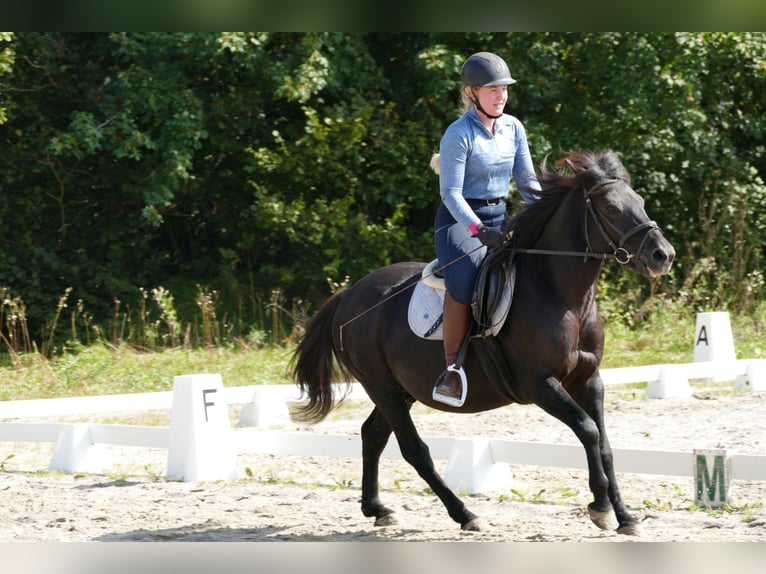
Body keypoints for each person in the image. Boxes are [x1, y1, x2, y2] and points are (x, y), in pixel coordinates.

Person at [431, 51, 541, 407]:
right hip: (460, 221)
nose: (501, 95)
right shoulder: (458, 134)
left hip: (501, 216)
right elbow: (450, 194)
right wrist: (479, 230)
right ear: (472, 93)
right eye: (492, 89)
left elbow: (526, 181)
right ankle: (452, 370)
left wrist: (546, 212)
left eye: (503, 88)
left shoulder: (514, 128)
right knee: (465, 279)